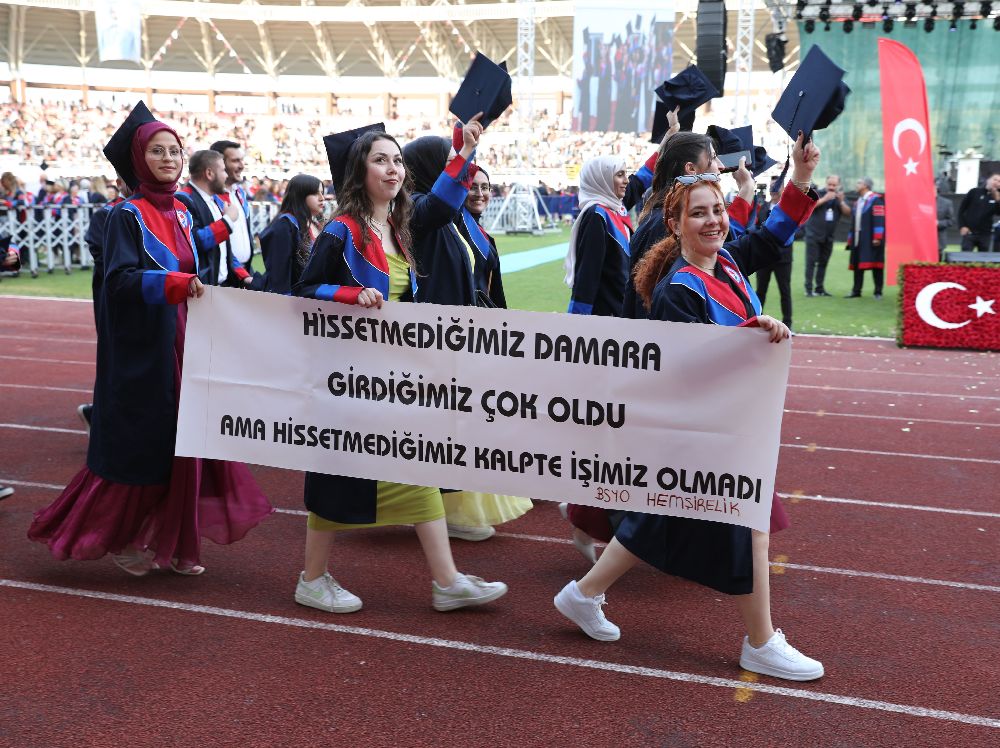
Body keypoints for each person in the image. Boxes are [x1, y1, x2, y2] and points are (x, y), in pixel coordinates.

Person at [553, 138, 824, 682]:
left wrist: (797, 177)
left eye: (718, 210)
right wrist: (751, 333)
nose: (714, 220)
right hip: (702, 432)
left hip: (728, 425)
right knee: (748, 525)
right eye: (699, 213)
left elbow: (770, 237)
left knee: (659, 517)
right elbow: (686, 369)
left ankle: (584, 593)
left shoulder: (726, 263)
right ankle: (760, 642)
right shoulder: (678, 289)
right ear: (674, 225)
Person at [28, 102, 273, 576]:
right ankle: (119, 536)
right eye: (156, 151)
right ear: (139, 160)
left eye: (174, 151)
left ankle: (174, 540)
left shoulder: (180, 210)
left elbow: (192, 256)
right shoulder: (126, 215)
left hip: (182, 337)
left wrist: (215, 249)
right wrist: (175, 285)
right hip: (145, 345)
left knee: (187, 438)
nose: (167, 158)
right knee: (145, 441)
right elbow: (119, 281)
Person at [291, 123, 508, 613]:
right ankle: (312, 579)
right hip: (348, 380)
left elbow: (444, 202)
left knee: (417, 468)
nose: (393, 169)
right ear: (359, 171)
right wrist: (349, 295)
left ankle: (447, 581)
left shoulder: (400, 227)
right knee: (335, 477)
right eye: (380, 160)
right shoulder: (342, 231)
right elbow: (302, 292)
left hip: (395, 380)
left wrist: (465, 153)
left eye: (397, 161)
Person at [443, 162, 533, 541]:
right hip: (462, 337)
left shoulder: (481, 233)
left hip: (484, 333)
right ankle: (453, 509)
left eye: (485, 187)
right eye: (473, 186)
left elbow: (495, 291)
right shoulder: (451, 227)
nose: (480, 193)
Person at [77, 176, 130, 434]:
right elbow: (108, 264)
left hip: (152, 299)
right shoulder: (106, 214)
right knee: (118, 363)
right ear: (119, 182)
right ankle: (98, 416)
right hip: (118, 304)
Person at [175, 149, 252, 288]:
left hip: (222, 286)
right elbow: (195, 242)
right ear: (209, 173)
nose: (226, 175)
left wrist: (244, 276)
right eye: (223, 170)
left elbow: (224, 250)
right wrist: (228, 221)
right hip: (202, 290)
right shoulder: (184, 199)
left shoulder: (214, 200)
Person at [258, 173, 325, 295]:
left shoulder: (314, 223)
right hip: (293, 299)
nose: (322, 198)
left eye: (322, 192)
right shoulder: (284, 225)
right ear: (300, 195)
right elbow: (279, 277)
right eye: (315, 193)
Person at [210, 139, 256, 272]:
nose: (242, 165)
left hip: (245, 270)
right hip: (224, 273)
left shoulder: (240, 193)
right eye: (235, 161)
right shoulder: (210, 197)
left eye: (242, 160)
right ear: (219, 164)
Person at [755, 179, 794, 330]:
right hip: (764, 257)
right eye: (772, 187)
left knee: (785, 291)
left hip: (783, 257)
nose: (774, 190)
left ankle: (788, 324)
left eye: (777, 187)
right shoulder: (763, 207)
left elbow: (798, 230)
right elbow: (756, 227)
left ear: (783, 189)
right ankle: (756, 322)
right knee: (760, 291)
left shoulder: (789, 209)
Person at [803, 174, 850, 296]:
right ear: (826, 183)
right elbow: (809, 206)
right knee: (811, 262)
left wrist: (841, 201)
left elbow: (848, 212)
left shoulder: (839, 197)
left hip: (829, 236)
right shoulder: (817, 193)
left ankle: (819, 288)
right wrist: (825, 199)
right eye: (829, 184)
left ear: (838, 185)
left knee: (823, 263)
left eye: (834, 185)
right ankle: (808, 289)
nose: (831, 187)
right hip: (813, 234)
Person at [846, 177, 885, 298]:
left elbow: (879, 218)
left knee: (876, 265)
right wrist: (851, 239)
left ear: (866, 186)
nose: (856, 185)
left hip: (871, 238)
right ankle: (856, 291)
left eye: (859, 183)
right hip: (859, 238)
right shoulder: (858, 201)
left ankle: (878, 292)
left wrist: (878, 237)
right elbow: (853, 222)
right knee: (857, 264)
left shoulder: (876, 199)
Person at [957, 173, 1000, 252]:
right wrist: (962, 226)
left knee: (984, 257)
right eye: (995, 179)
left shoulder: (997, 197)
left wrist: (997, 200)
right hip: (969, 232)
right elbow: (961, 210)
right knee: (966, 256)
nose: (996, 182)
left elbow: (998, 213)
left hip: (985, 234)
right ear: (988, 180)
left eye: (999, 181)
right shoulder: (974, 192)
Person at [936, 185, 955, 260]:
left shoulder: (946, 203)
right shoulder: (920, 201)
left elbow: (951, 221)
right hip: (922, 242)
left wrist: (938, 223)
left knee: (937, 264)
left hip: (939, 241)